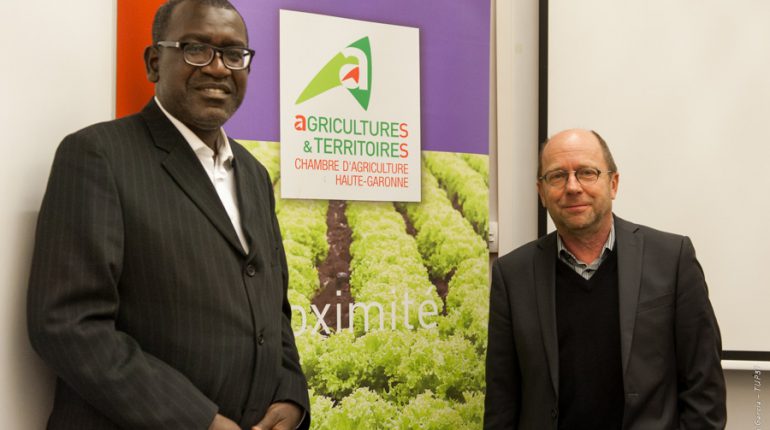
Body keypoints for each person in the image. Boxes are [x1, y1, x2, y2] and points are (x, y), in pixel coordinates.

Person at [27, 1, 309, 429]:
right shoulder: (98, 156)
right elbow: (68, 325)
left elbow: (273, 309)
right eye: (197, 49)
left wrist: (291, 392)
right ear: (155, 62)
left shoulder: (252, 172)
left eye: (234, 54)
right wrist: (198, 420)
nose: (218, 68)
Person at [484, 128, 726, 429]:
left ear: (613, 183)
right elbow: (501, 399)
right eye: (557, 176)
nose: (572, 187)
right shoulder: (512, 275)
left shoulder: (672, 260)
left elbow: (705, 387)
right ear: (541, 192)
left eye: (587, 172)